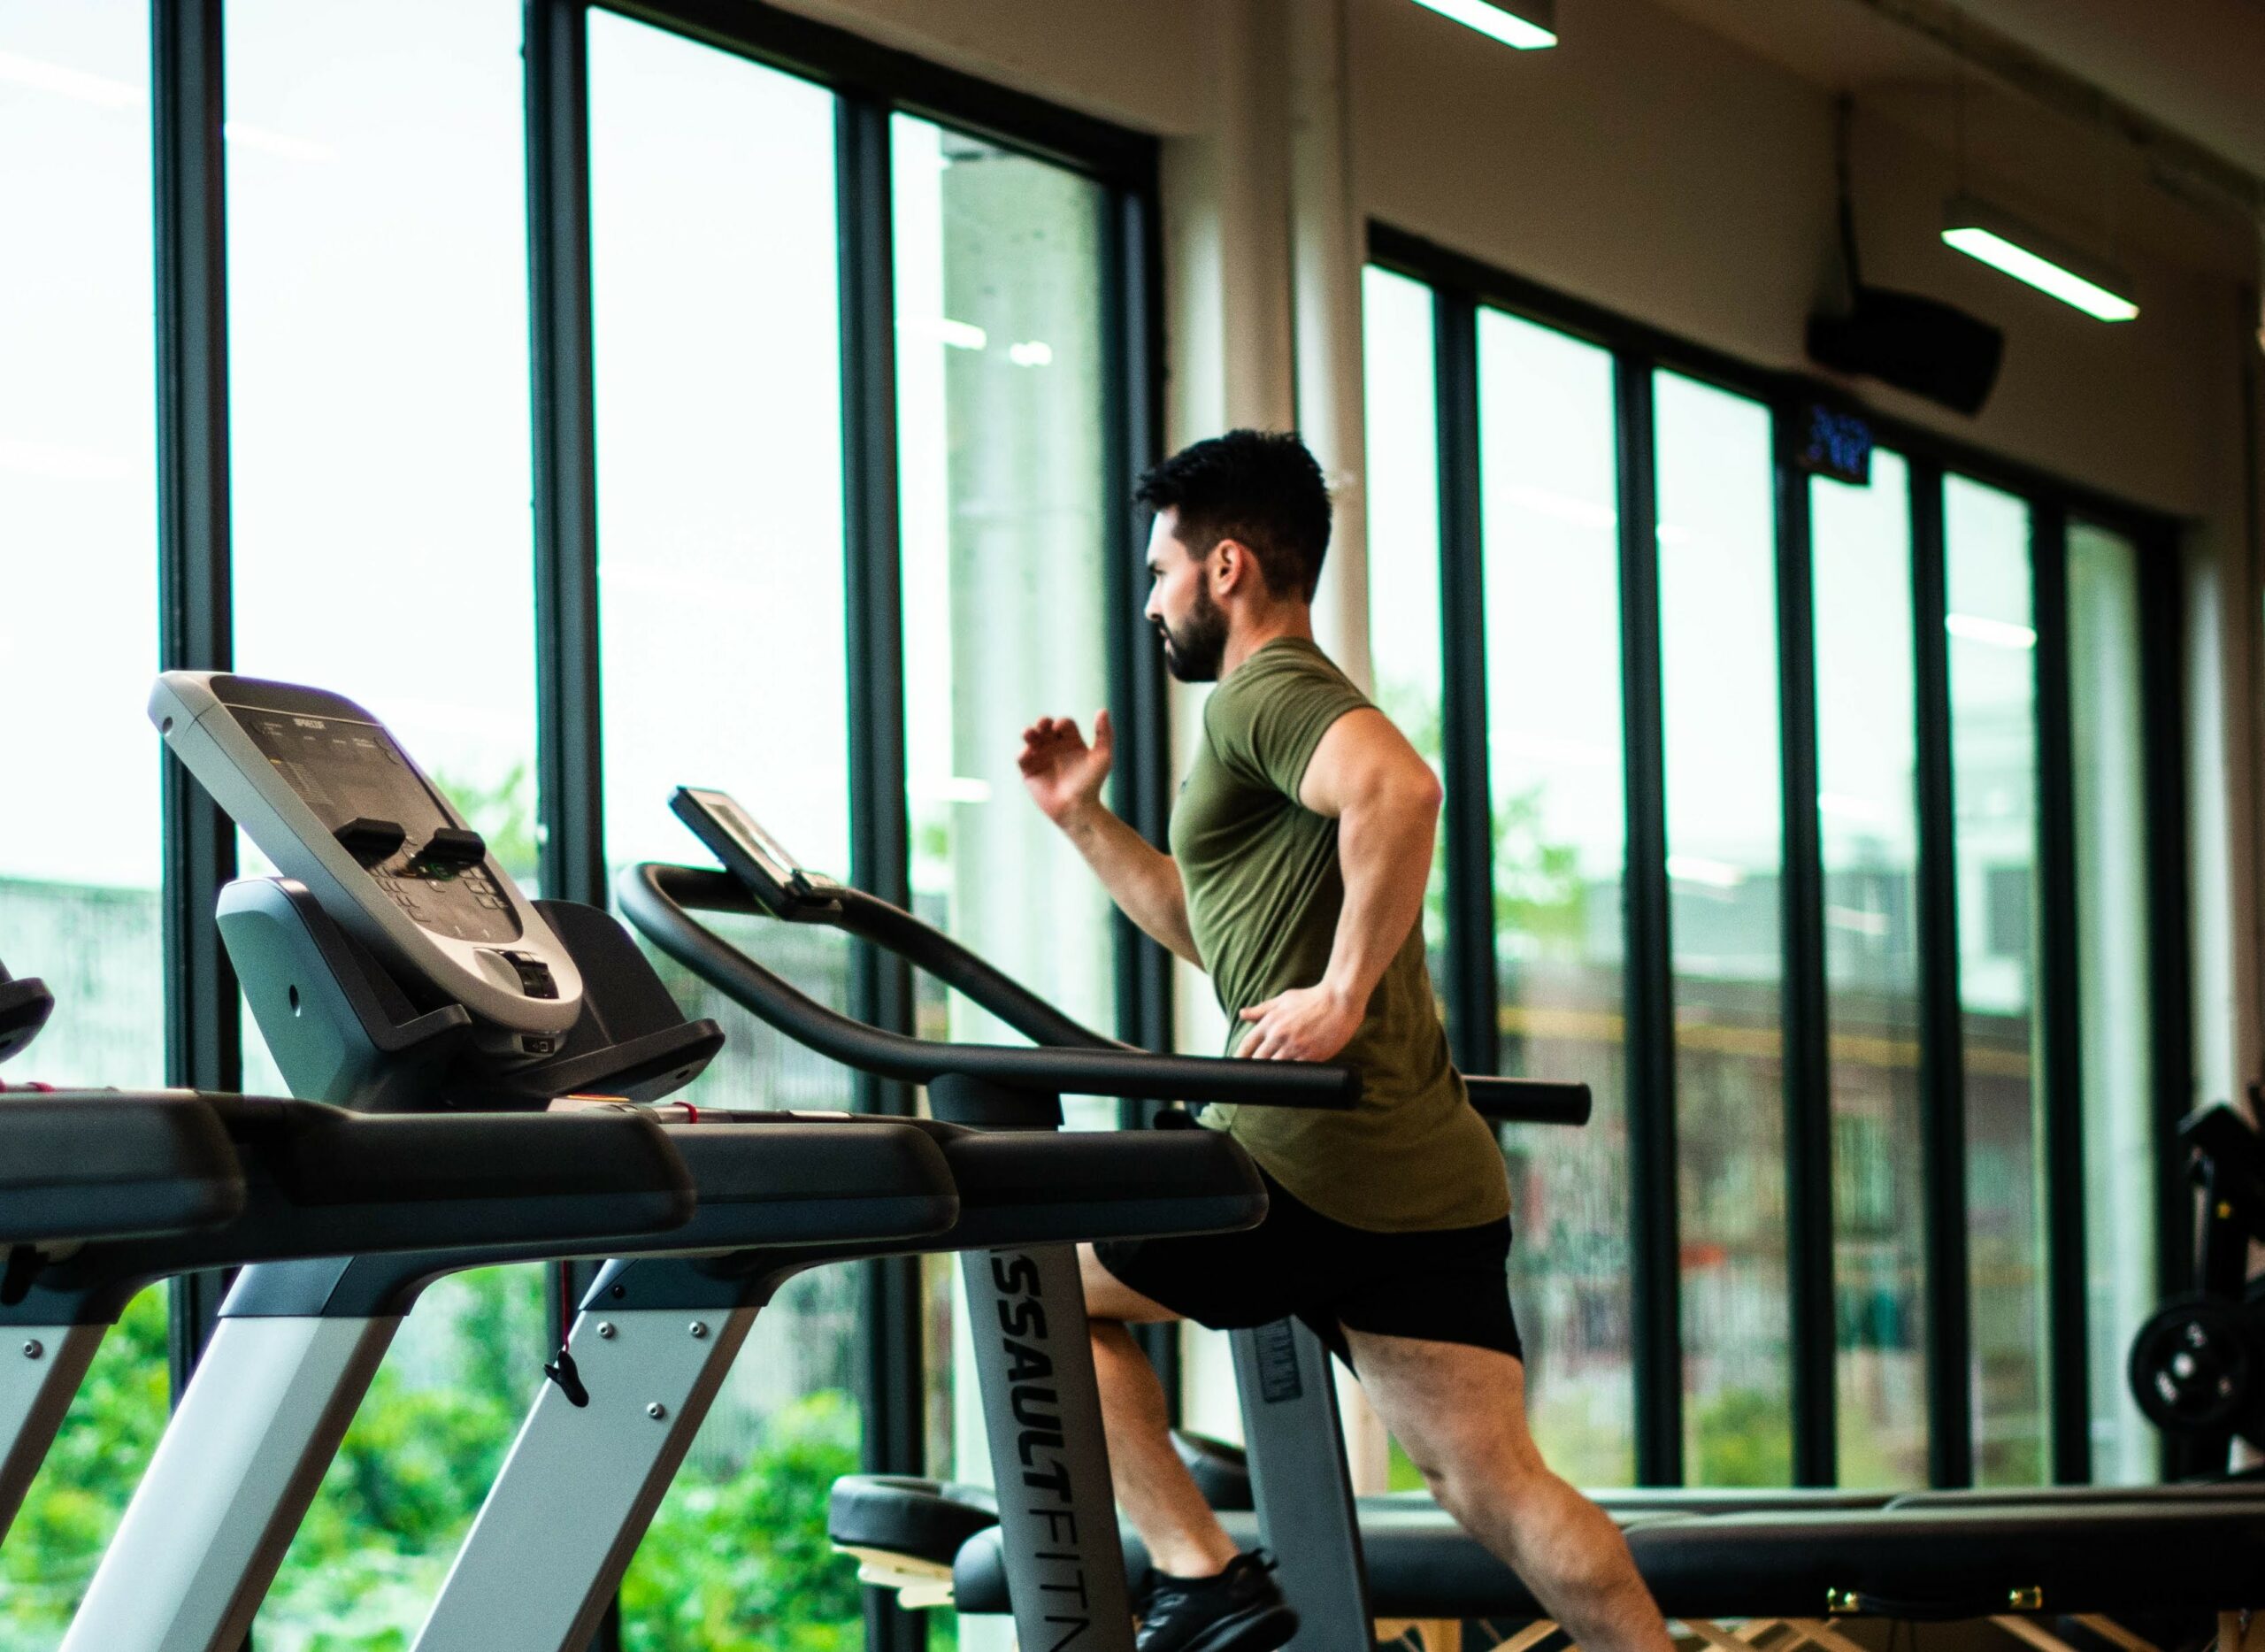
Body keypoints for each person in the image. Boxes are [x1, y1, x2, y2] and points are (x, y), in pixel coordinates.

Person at [1017, 431, 1674, 1652]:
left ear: (1225, 569)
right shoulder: (1275, 714)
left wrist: (1341, 992)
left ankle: (1198, 1573)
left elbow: (1403, 791)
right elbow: (1218, 934)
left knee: (1034, 1283)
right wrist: (1082, 819)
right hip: (1422, 1174)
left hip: (1297, 1161)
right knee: (1500, 1491)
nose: (1153, 604)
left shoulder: (1268, 692)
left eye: (1162, 574)